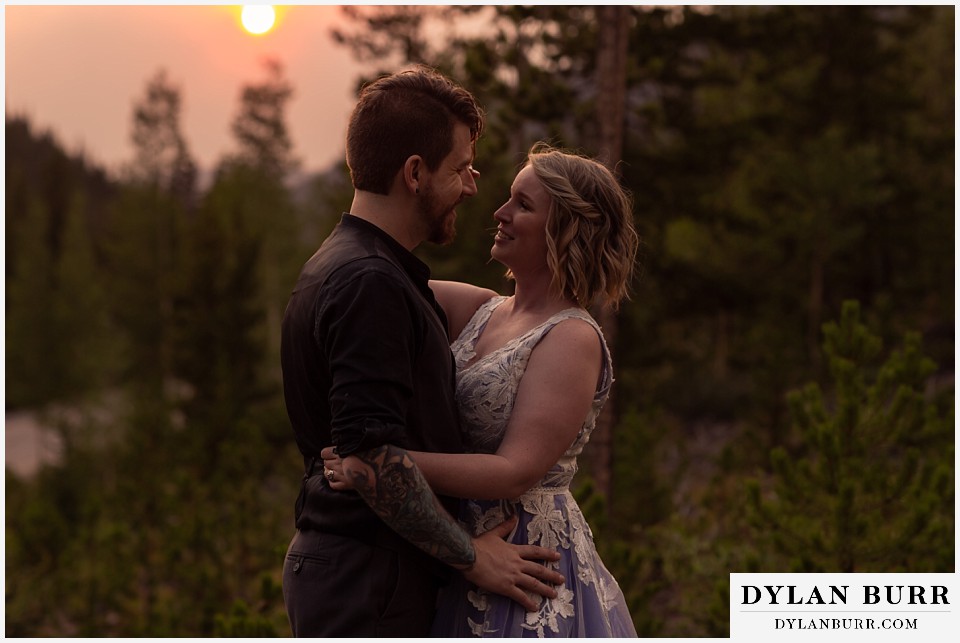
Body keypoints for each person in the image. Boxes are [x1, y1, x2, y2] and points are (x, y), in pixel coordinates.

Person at [279, 68, 564, 638]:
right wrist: (472, 557)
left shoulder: (347, 267)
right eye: (460, 168)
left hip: (363, 572)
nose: (472, 186)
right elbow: (373, 461)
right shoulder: (370, 282)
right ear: (415, 173)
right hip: (370, 580)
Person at [325, 143, 641, 636]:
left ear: (565, 230)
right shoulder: (477, 308)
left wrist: (377, 462)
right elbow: (369, 279)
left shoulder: (572, 337)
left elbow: (514, 471)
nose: (499, 212)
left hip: (524, 561)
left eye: (523, 204)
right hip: (457, 550)